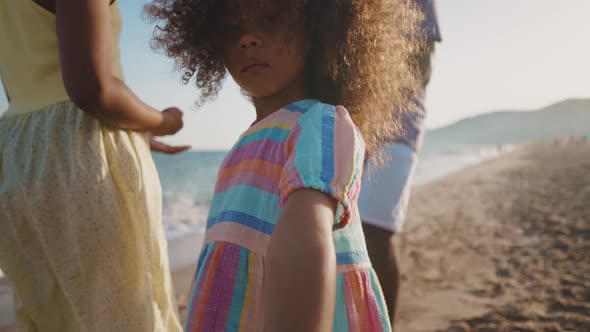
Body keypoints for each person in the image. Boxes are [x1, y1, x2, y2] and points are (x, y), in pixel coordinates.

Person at [147, 0, 422, 330]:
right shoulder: (248, 140)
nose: (247, 38)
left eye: (269, 20)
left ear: (316, 30)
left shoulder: (319, 124)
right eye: (232, 28)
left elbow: (306, 238)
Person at [0, 0, 189, 330]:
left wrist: (135, 135)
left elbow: (27, 89)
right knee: (124, 316)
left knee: (55, 314)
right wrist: (162, 121)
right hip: (82, 154)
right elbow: (93, 89)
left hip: (19, 155)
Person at [357, 0, 442, 328]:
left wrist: (375, 100)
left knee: (373, 231)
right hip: (351, 121)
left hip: (396, 126)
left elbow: (424, 67)